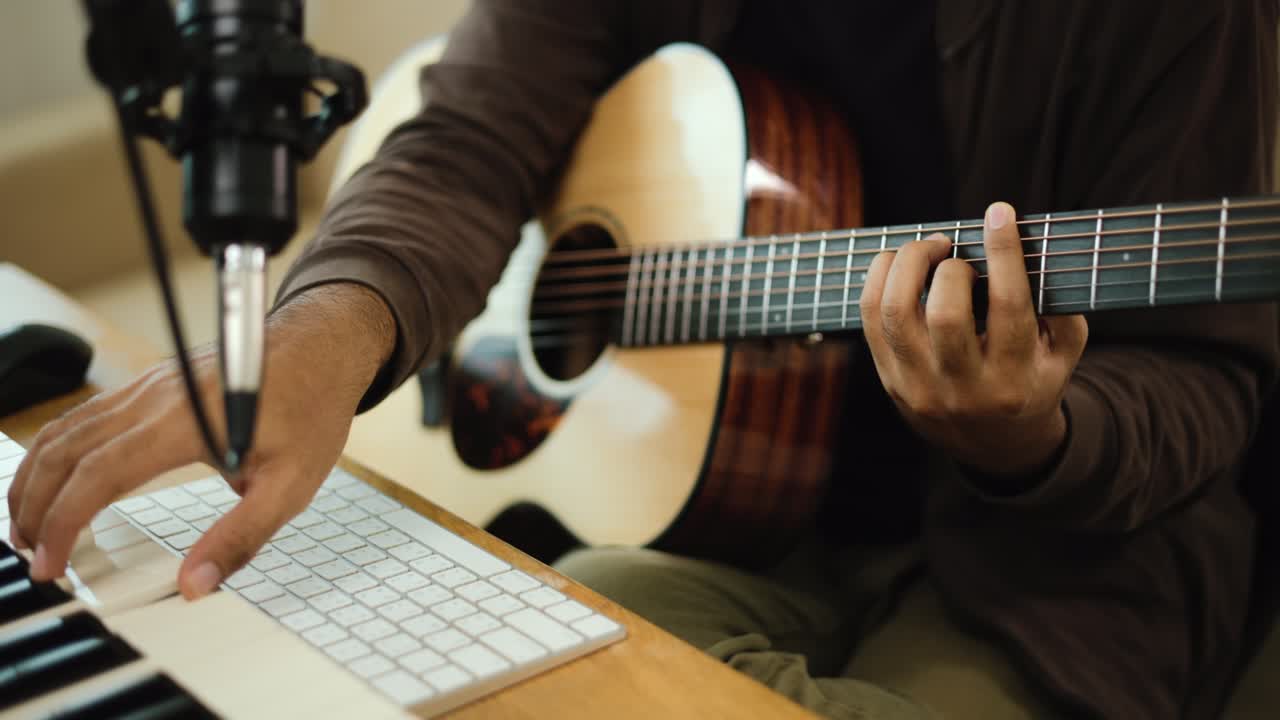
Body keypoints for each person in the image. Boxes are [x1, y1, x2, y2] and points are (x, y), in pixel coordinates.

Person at [8, 1, 1278, 718]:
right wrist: (318, 333)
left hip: (1049, 569)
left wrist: (1023, 431)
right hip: (711, 505)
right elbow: (464, 139)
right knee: (444, 675)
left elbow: (1207, 380)